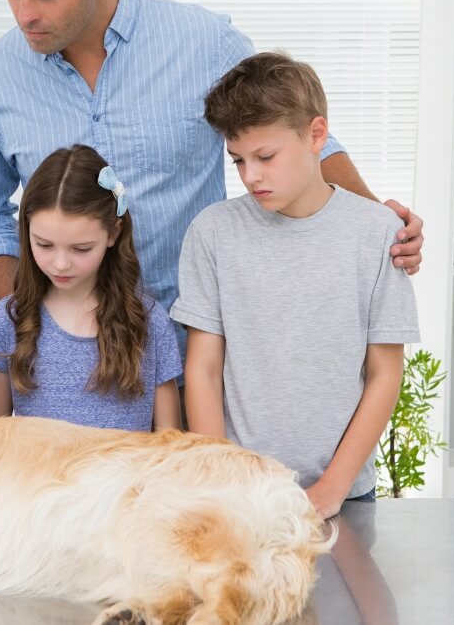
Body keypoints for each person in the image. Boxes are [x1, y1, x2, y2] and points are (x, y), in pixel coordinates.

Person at [0, 0, 425, 316]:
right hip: (68, 365)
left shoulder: (203, 43)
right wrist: (28, 318)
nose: (25, 14)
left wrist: (377, 222)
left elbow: (297, 136)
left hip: (193, 345)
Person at [173, 52, 420, 520]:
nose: (250, 176)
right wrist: (220, 477)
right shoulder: (212, 233)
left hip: (344, 494)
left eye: (265, 156)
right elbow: (203, 369)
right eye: (238, 160)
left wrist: (332, 487)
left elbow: (384, 374)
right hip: (238, 495)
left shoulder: (378, 233)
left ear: (317, 135)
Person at [0, 145, 182, 431]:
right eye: (44, 245)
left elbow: (170, 445)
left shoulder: (149, 322)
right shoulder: (7, 321)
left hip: (131, 476)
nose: (61, 264)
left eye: (81, 248)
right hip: (36, 476)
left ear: (113, 233)